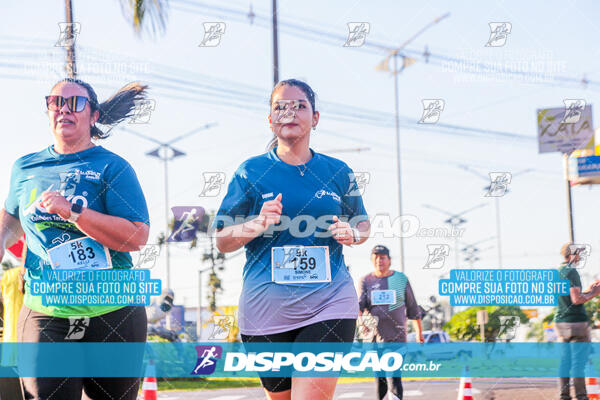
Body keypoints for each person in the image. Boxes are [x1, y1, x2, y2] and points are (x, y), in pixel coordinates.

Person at [213, 79, 371, 400]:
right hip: (266, 311)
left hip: (330, 302)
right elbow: (222, 240)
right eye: (280, 107)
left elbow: (363, 224)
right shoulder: (250, 171)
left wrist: (352, 234)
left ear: (315, 118)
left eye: (300, 105)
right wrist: (257, 223)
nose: (290, 112)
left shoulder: (339, 172)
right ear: (270, 120)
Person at [0, 77, 150, 399]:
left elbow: (137, 237)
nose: (64, 110)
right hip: (47, 309)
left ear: (93, 115)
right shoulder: (25, 168)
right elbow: (10, 223)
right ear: (48, 110)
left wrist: (72, 212)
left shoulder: (113, 167)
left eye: (76, 103)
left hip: (113, 311)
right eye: (56, 102)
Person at [358, 245, 424, 400]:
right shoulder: (365, 281)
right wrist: (361, 323)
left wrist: (420, 333)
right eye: (375, 257)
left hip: (397, 338)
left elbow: (413, 309)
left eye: (382, 257)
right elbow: (358, 307)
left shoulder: (400, 279)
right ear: (371, 260)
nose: (379, 260)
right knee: (380, 380)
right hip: (374, 339)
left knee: (394, 377)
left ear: (389, 260)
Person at [555, 243, 600, 400]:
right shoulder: (572, 272)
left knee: (565, 361)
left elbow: (570, 298)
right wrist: (595, 293)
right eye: (579, 254)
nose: (581, 257)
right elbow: (576, 300)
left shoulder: (558, 272)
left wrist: (588, 290)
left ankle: (564, 395)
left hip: (561, 322)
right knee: (578, 363)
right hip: (576, 323)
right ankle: (581, 396)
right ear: (572, 255)